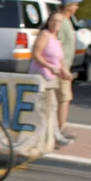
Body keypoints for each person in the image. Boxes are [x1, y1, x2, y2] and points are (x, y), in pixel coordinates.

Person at [28, 12, 74, 148]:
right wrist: (49, 66)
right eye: (53, 21)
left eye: (59, 22)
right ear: (48, 21)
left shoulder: (56, 38)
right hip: (42, 76)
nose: (56, 24)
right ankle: (54, 137)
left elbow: (59, 59)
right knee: (48, 107)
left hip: (51, 77)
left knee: (51, 107)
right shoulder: (44, 35)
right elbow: (36, 55)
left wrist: (65, 72)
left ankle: (52, 136)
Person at [56, 0, 82, 140]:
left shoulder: (67, 21)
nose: (77, 7)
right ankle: (61, 129)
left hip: (64, 67)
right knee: (63, 99)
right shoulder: (61, 22)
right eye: (75, 4)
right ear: (68, 7)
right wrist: (63, 68)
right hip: (61, 68)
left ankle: (59, 128)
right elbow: (57, 47)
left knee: (61, 99)